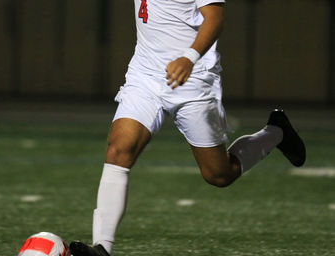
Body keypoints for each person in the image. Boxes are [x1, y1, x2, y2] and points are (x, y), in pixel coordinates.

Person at [69, 1, 306, 256]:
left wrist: (189, 57)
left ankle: (276, 132)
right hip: (145, 76)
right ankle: (102, 247)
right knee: (119, 147)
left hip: (193, 80)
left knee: (218, 175)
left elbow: (214, 18)